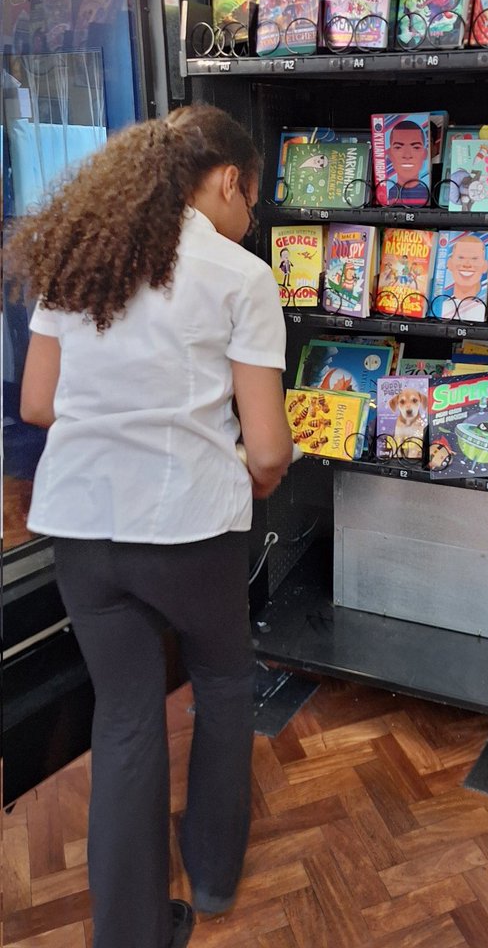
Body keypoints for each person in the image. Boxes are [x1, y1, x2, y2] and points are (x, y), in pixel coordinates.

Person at [7, 104, 293, 948]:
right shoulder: (240, 275)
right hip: (189, 529)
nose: (252, 216)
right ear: (229, 182)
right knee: (224, 683)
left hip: (82, 530)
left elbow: (36, 404)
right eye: (254, 197)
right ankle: (210, 877)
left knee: (126, 716)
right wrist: (257, 473)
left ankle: (130, 933)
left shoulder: (79, 261)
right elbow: (269, 447)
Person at [440, 233, 488, 321]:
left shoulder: (482, 309)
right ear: (449, 264)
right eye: (461, 257)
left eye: (474, 259)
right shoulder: (440, 307)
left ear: (485, 266)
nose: (467, 264)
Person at [386, 119, 430, 203]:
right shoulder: (388, 193)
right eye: (398, 147)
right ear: (390, 154)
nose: (407, 155)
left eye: (416, 147)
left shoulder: (427, 193)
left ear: (425, 154)